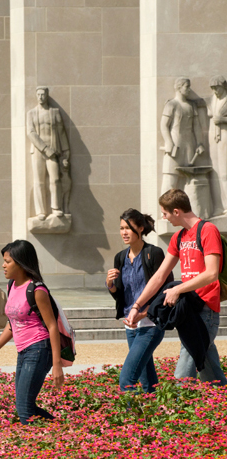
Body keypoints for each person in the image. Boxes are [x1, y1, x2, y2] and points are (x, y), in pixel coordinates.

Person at [127, 189, 227, 385]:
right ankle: (220, 401)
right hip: (188, 309)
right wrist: (137, 306)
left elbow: (212, 273)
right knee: (208, 366)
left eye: (164, 213)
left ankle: (175, 409)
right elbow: (159, 276)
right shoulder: (179, 237)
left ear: (176, 211)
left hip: (205, 308)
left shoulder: (207, 230)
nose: (163, 217)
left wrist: (177, 289)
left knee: (186, 365)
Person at [0, 239, 64, 425]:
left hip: (39, 349)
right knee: (25, 405)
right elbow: (12, 324)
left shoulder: (37, 289)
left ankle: (42, 443)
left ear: (21, 263)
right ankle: (61, 432)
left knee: (24, 407)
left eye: (8, 261)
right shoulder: (12, 285)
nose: (3, 265)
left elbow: (52, 326)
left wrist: (57, 364)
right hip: (24, 351)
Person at [106, 209, 170, 393]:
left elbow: (165, 290)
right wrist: (110, 284)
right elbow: (120, 295)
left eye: (128, 228)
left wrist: (143, 312)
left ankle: (130, 419)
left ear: (140, 228)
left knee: (127, 379)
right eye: (121, 228)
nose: (124, 232)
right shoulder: (120, 257)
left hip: (150, 324)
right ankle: (155, 416)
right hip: (130, 325)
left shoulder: (154, 253)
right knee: (147, 378)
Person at [27, 86, 70, 220]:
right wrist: (45, 149)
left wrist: (65, 151)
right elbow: (30, 132)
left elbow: (61, 132)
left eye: (43, 94)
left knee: (55, 179)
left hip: (54, 151)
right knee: (39, 181)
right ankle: (41, 211)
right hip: (39, 151)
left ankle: (56, 208)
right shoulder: (31, 113)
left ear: (47, 95)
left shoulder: (54, 112)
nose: (40, 97)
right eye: (38, 95)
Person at [160, 77, 204, 194]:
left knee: (186, 180)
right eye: (187, 87)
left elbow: (196, 127)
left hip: (189, 146)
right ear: (179, 88)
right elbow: (164, 125)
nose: (189, 90)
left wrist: (199, 143)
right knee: (170, 179)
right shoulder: (171, 104)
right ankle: (164, 211)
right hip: (175, 146)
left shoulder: (191, 106)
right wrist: (169, 142)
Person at [206, 75, 227, 216]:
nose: (215, 91)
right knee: (216, 172)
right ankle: (219, 205)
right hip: (214, 137)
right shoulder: (214, 99)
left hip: (225, 135)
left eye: (217, 88)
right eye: (213, 88)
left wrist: (223, 120)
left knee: (225, 172)